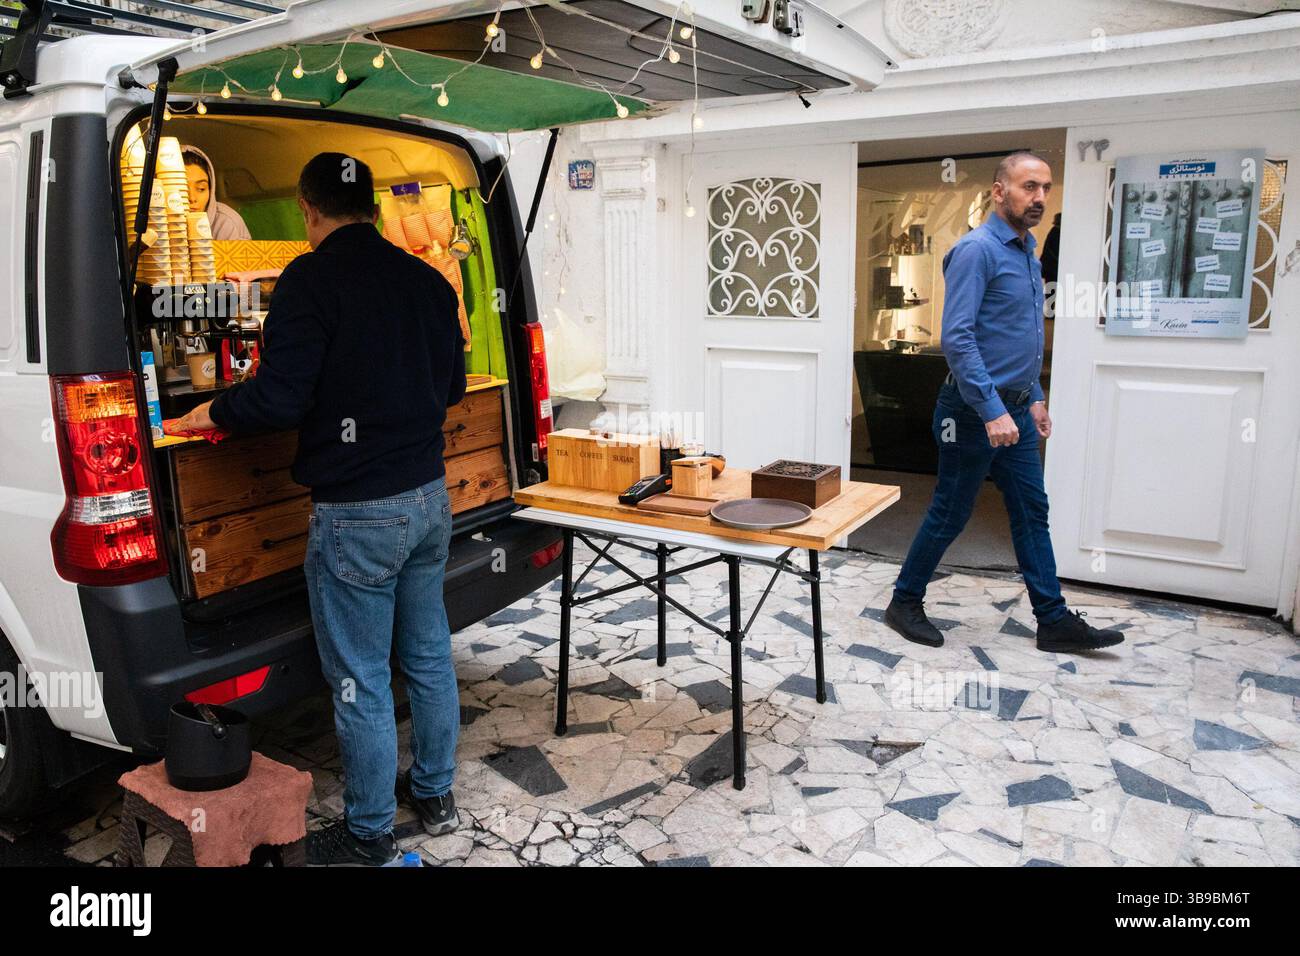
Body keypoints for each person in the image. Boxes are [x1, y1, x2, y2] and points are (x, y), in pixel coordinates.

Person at [174, 152, 468, 865]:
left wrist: (211, 409)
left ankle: (369, 834)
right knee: (428, 654)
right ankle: (435, 794)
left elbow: (279, 398)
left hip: (360, 512)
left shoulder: (309, 279)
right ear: (373, 207)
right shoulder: (426, 280)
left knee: (361, 678)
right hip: (429, 497)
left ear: (308, 211)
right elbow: (453, 387)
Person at [884, 152, 1123, 655]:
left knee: (1032, 510)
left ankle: (1053, 620)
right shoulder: (977, 251)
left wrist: (1032, 397)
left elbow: (1019, 336)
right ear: (999, 192)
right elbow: (959, 338)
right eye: (1028, 186)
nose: (1039, 197)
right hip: (970, 411)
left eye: (1045, 188)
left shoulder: (1027, 250)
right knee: (952, 511)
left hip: (1014, 409)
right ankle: (904, 601)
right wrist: (992, 408)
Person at [181, 145, 252, 240]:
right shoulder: (160, 224)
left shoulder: (226, 223)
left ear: (210, 191)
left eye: (201, 189)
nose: (192, 198)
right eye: (182, 189)